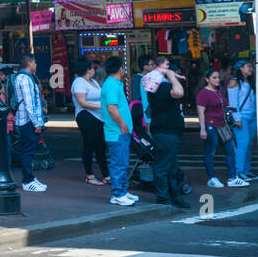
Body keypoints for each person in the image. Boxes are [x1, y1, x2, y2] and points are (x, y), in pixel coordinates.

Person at [145, 56, 188, 207]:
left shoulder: (156, 86)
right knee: (164, 166)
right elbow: (179, 92)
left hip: (168, 130)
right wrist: (172, 77)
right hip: (166, 131)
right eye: (167, 65)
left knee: (171, 166)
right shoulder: (161, 87)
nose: (170, 69)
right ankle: (164, 198)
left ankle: (173, 196)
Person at [197, 69, 244, 188]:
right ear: (207, 79)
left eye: (218, 77)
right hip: (211, 126)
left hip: (222, 125)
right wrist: (202, 129)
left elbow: (225, 106)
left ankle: (232, 178)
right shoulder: (203, 93)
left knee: (230, 150)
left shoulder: (218, 92)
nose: (217, 79)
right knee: (210, 152)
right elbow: (201, 112)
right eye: (214, 77)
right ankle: (211, 178)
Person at [101, 56, 138, 207]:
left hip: (119, 131)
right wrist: (123, 124)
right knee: (119, 164)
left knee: (122, 162)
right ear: (120, 69)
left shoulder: (114, 84)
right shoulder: (111, 85)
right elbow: (111, 108)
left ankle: (122, 191)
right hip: (116, 131)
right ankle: (117, 193)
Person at [12, 53, 47, 192]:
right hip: (27, 121)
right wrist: (36, 122)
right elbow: (29, 103)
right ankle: (28, 180)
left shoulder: (24, 77)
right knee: (28, 150)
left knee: (29, 149)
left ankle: (30, 178)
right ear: (29, 63)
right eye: (34, 62)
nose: (36, 65)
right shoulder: (25, 79)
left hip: (26, 120)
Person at [71, 59, 109, 186]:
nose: (94, 70)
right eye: (92, 68)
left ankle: (106, 175)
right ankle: (90, 175)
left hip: (100, 118)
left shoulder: (94, 81)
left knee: (101, 147)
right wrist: (103, 107)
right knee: (89, 146)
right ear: (87, 69)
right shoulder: (78, 82)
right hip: (86, 116)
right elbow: (83, 102)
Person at [226, 59, 255, 182]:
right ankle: (239, 172)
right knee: (243, 144)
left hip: (253, 117)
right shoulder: (234, 82)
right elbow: (233, 103)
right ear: (240, 68)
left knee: (248, 145)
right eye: (248, 66)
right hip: (242, 117)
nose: (251, 69)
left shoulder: (251, 82)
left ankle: (246, 171)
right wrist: (237, 118)